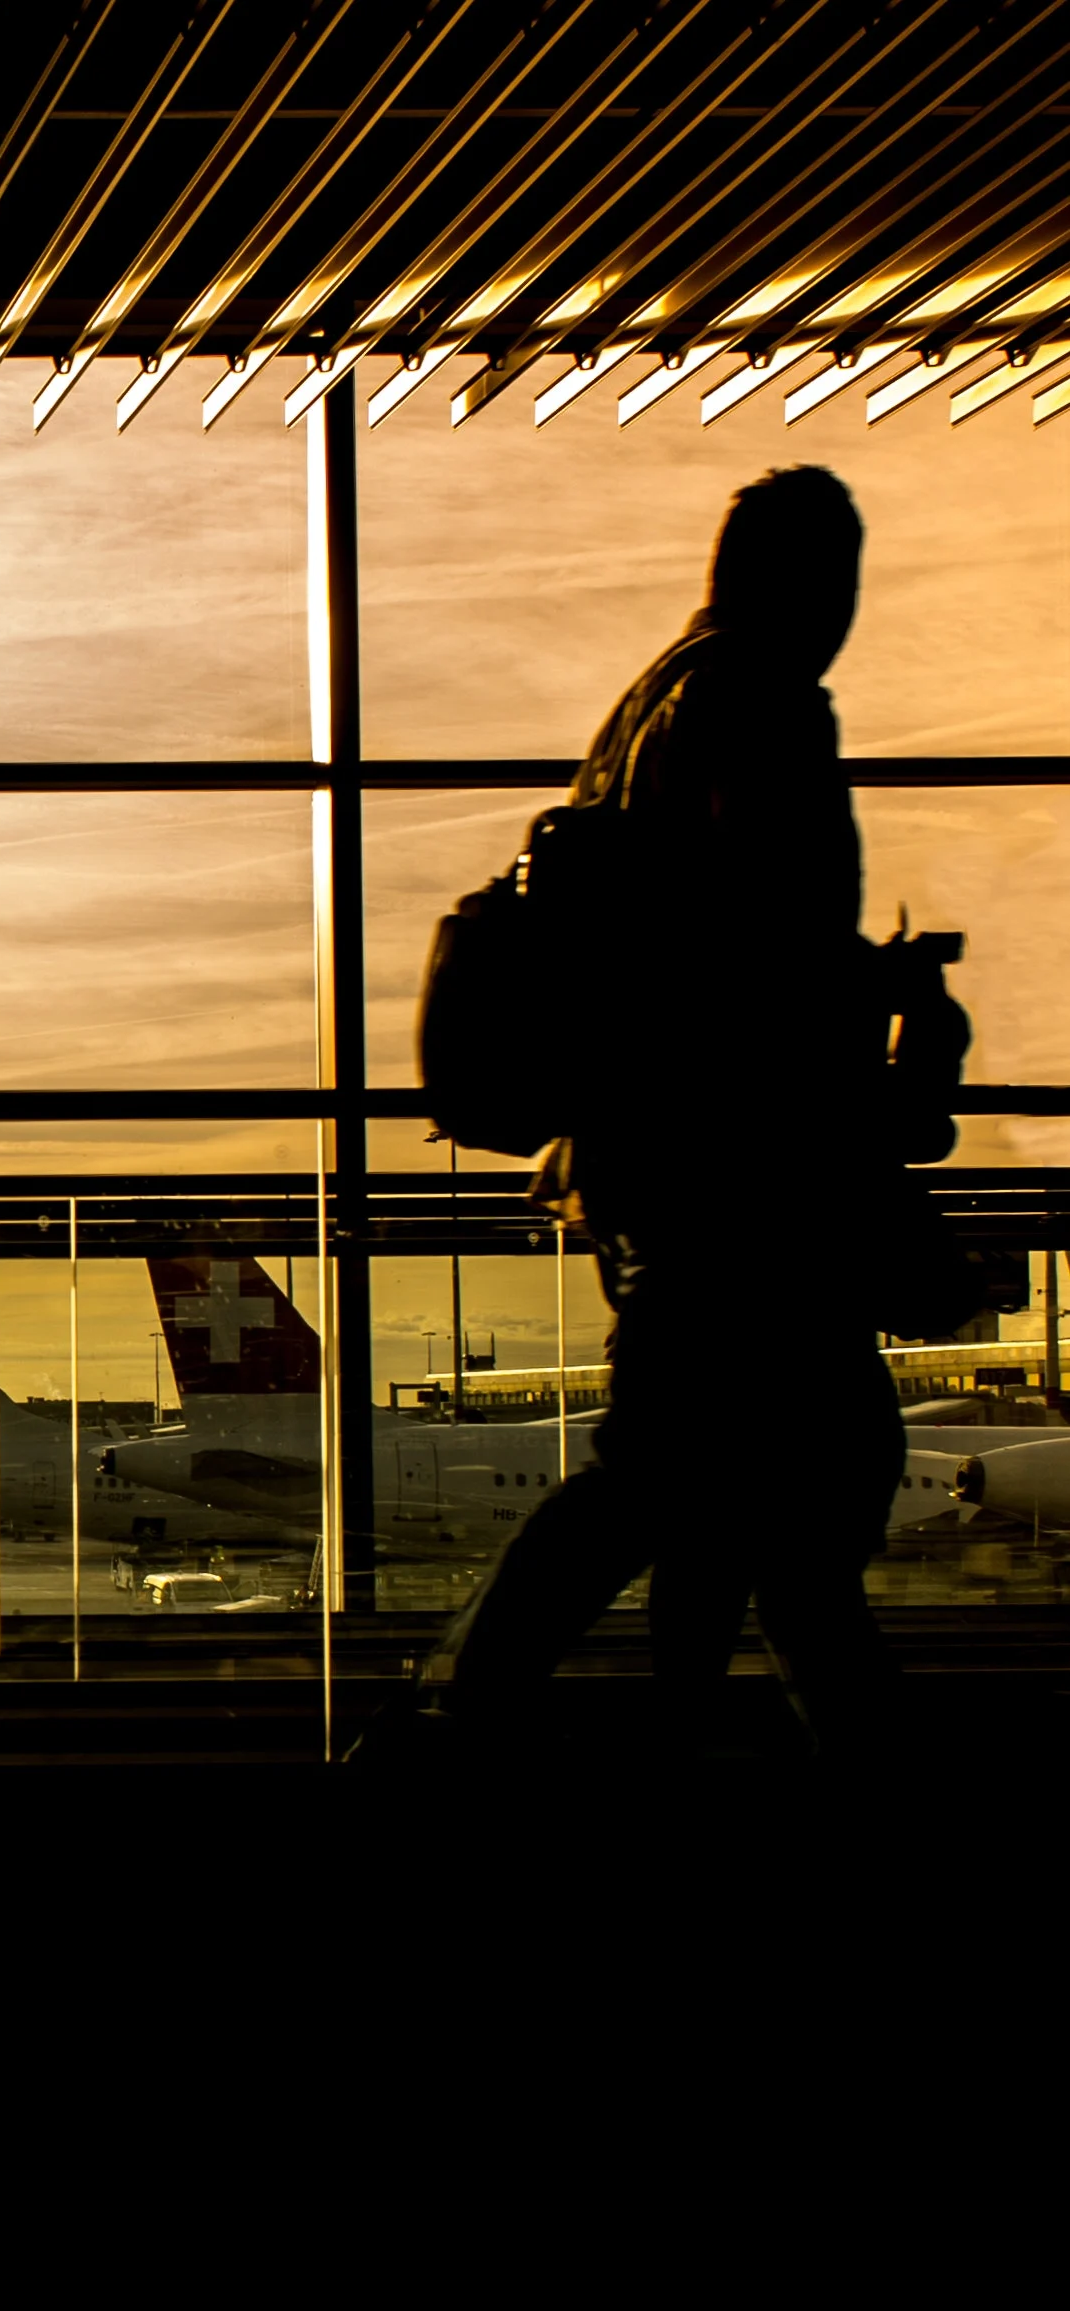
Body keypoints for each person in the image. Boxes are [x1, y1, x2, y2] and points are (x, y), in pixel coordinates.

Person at [400, 467, 923, 1757]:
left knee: (715, 1482)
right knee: (722, 1485)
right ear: (815, 580)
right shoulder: (764, 705)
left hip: (646, 1156)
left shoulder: (648, 707)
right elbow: (765, 952)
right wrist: (874, 999)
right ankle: (457, 1717)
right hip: (736, 1165)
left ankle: (488, 1716)